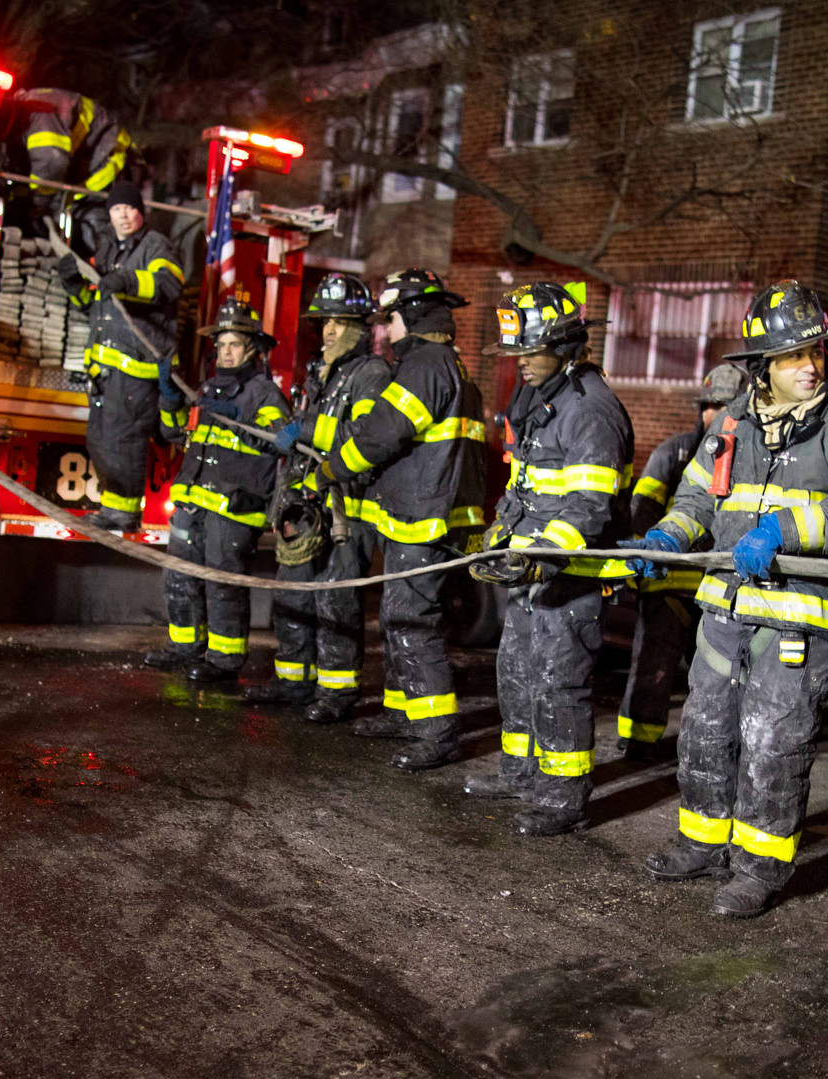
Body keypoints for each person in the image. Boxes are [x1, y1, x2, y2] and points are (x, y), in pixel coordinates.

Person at [625, 280, 828, 918]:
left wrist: (783, 530)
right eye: (794, 355)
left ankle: (759, 867)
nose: (812, 364)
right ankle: (703, 842)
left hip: (800, 617)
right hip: (725, 609)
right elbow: (696, 501)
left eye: (817, 352)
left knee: (773, 741)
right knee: (706, 729)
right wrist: (666, 536)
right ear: (760, 368)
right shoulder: (731, 427)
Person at [463, 281, 635, 834]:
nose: (522, 363)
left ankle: (562, 796)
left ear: (564, 346)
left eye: (530, 352)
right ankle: (521, 772)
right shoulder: (539, 398)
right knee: (516, 670)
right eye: (517, 353)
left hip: (571, 575)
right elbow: (526, 478)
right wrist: (500, 530)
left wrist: (544, 554)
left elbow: (591, 501)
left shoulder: (591, 409)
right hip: (530, 570)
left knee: (560, 680)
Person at [312, 268, 487, 771]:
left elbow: (381, 432)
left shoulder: (426, 365)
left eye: (388, 318)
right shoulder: (443, 364)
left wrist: (332, 467)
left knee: (413, 622)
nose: (383, 330)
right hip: (422, 513)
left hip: (423, 517)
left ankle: (436, 732)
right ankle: (403, 712)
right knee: (397, 617)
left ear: (409, 317)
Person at [244, 274, 392, 719]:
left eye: (340, 322)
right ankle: (292, 682)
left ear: (361, 328)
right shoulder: (323, 373)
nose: (329, 331)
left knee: (335, 600)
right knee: (293, 595)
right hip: (308, 503)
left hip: (347, 508)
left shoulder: (372, 374)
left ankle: (336, 693)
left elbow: (365, 437)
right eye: (325, 322)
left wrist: (305, 429)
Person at [148, 300, 288, 683]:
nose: (226, 352)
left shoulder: (265, 394)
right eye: (222, 344)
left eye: (234, 344)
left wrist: (235, 416)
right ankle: (184, 648)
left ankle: (225, 661)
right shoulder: (209, 387)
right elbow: (175, 433)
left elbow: (278, 441)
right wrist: (170, 398)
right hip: (194, 502)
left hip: (233, 510)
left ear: (253, 349)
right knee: (179, 577)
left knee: (221, 584)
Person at [616, 364, 744, 761]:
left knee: (717, 676)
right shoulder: (673, 453)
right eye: (712, 406)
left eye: (726, 406)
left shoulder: (749, 458)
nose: (717, 415)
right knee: (654, 664)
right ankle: (639, 739)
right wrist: (642, 556)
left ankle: (710, 748)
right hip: (670, 582)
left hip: (718, 587)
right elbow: (643, 510)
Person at [65, 180, 187, 533]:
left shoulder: (155, 245)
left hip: (137, 368)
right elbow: (95, 305)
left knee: (123, 440)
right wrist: (74, 285)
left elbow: (168, 284)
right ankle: (113, 507)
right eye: (117, 209)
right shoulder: (109, 250)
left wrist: (128, 281)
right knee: (100, 439)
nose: (124, 215)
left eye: (130, 208)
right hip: (105, 369)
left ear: (141, 211)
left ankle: (125, 514)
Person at [11, 88, 133, 256]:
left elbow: (51, 165)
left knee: (90, 230)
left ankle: (103, 267)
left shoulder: (40, 113)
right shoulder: (28, 112)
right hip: (76, 169)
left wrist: (39, 206)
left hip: (103, 163)